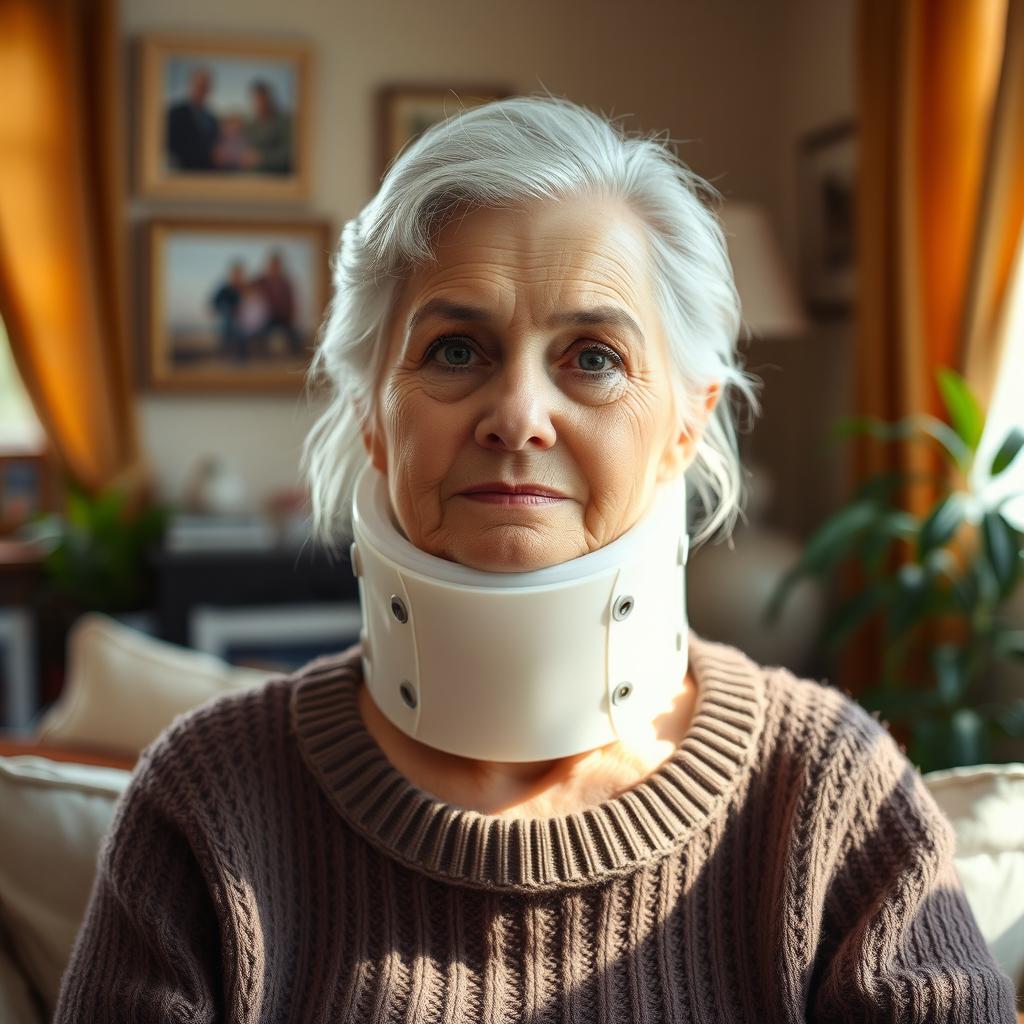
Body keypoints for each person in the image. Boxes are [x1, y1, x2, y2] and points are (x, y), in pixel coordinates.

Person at [53, 95, 1018, 1022]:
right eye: (455, 349)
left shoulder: (830, 793)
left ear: (689, 423)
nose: (517, 416)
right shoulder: (209, 802)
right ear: (372, 419)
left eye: (592, 356)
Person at [166, 66, 219, 171]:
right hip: (183, 173)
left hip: (207, 175)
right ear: (190, 85)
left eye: (205, 87)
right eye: (198, 86)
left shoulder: (211, 118)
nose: (201, 91)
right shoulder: (175, 114)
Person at [242, 79, 294, 174]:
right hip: (254, 179)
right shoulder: (251, 125)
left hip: (278, 178)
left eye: (262, 99)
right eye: (256, 100)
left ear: (269, 99)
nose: (259, 104)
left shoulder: (284, 121)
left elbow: (290, 154)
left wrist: (262, 158)